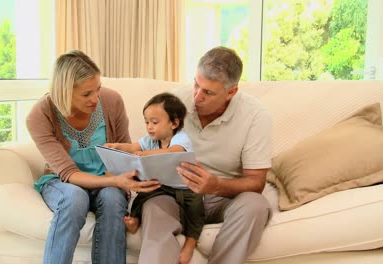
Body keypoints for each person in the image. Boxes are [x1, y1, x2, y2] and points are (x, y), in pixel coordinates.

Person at [137, 46, 273, 264]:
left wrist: (216, 185)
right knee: (153, 206)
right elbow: (150, 149)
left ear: (231, 92)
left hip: (224, 197)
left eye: (208, 92)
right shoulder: (175, 103)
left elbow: (257, 182)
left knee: (255, 206)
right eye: (196, 85)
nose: (197, 97)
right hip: (176, 194)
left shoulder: (256, 116)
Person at [26, 50, 160, 264]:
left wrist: (124, 176)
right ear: (64, 91)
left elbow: (124, 151)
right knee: (74, 198)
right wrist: (116, 181)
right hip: (62, 182)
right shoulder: (40, 115)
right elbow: (68, 173)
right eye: (86, 94)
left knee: (113, 197)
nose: (95, 98)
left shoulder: (112, 100)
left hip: (108, 178)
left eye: (97, 89)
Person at [105, 92, 205, 264]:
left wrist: (143, 154)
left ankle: (190, 242)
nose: (149, 127)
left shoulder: (180, 138)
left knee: (197, 208)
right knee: (143, 195)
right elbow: (132, 147)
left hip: (185, 188)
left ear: (174, 123)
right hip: (162, 187)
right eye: (146, 122)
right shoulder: (150, 140)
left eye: (155, 122)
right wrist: (117, 146)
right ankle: (135, 220)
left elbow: (173, 152)